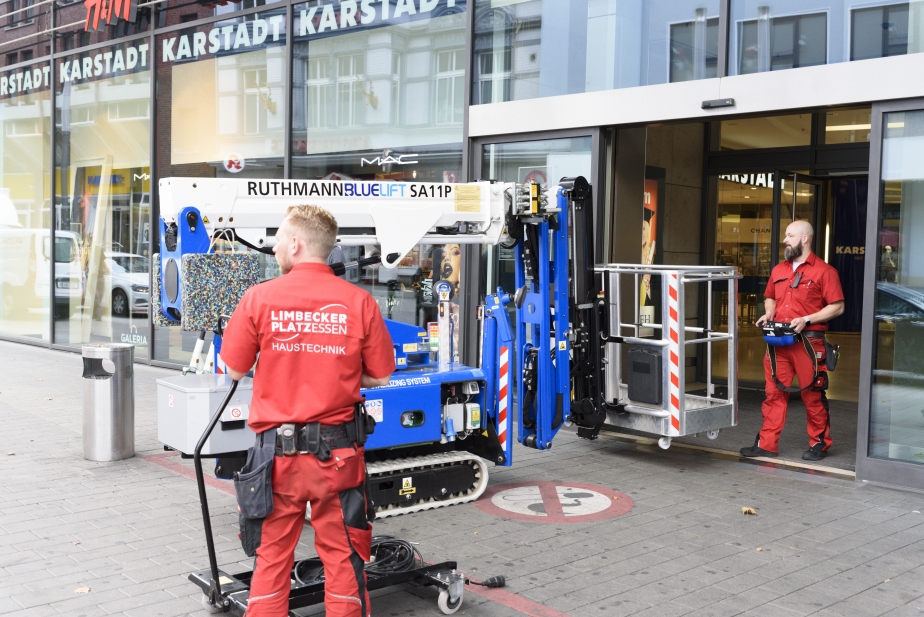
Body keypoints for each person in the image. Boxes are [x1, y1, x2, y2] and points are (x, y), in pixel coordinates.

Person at [220, 205, 395, 617]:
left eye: (279, 239)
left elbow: (233, 369)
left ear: (296, 243)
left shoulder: (259, 298)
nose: (275, 246)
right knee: (344, 559)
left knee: (272, 560)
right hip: (338, 458)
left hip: (275, 461)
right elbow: (382, 377)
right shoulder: (359, 301)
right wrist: (342, 371)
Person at [740, 220, 844, 462]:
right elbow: (770, 298)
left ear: (804, 239)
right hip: (778, 341)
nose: (785, 240)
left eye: (790, 235)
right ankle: (767, 444)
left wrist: (807, 319)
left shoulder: (825, 271)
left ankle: (820, 444)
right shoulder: (779, 270)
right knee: (773, 394)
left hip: (808, 343)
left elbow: (837, 307)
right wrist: (768, 313)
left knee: (813, 394)